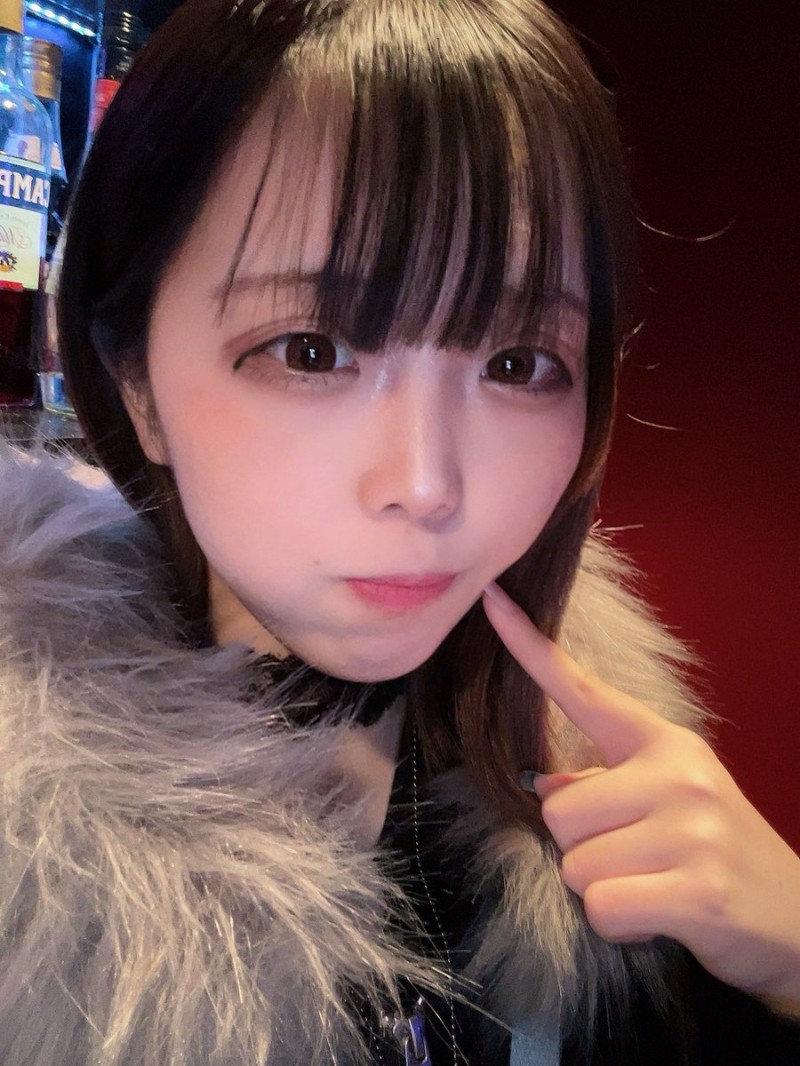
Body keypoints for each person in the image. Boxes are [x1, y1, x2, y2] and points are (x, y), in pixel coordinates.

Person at [0, 0, 798, 1062]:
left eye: (516, 363)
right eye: (311, 350)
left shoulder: (607, 801)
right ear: (135, 380)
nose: (427, 485)